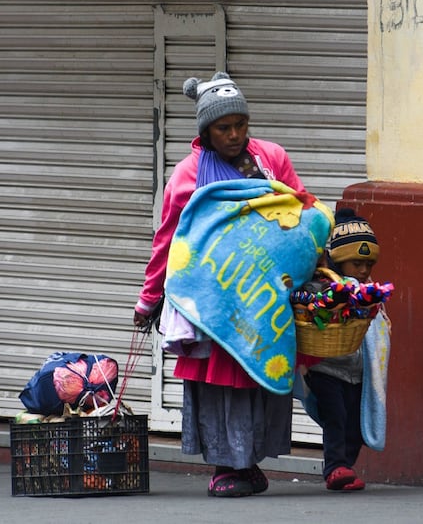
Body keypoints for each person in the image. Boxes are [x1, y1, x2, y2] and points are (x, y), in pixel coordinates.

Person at [133, 72, 311, 498]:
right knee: (222, 384)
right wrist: (148, 300)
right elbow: (169, 239)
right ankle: (225, 466)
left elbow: (302, 209)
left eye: (240, 125)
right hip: (213, 301)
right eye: (223, 128)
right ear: (205, 131)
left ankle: (247, 464)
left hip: (262, 294)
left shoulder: (272, 158)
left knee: (258, 378)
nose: (234, 135)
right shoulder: (187, 175)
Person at [303, 208, 381, 491]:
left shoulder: (369, 289)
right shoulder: (322, 285)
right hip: (326, 368)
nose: (363, 271)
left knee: (356, 424)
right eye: (356, 264)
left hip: (357, 372)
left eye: (368, 264)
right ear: (337, 258)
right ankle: (335, 467)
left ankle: (345, 465)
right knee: (335, 416)